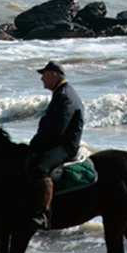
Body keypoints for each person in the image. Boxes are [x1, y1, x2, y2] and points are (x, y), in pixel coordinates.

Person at [27, 61, 84, 230]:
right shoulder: (60, 93)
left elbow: (57, 130)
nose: (41, 79)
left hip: (65, 146)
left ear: (53, 75)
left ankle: (44, 214)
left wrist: (37, 143)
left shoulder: (65, 95)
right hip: (59, 142)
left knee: (40, 167)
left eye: (44, 75)